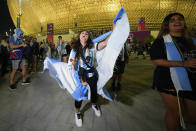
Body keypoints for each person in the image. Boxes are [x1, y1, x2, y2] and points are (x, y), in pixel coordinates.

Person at [149, 12, 196, 131]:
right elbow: (156, 60)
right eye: (172, 20)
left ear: (184, 23)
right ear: (167, 25)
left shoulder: (192, 41)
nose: (177, 21)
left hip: (192, 81)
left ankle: (181, 119)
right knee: (174, 113)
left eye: (180, 19)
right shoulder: (161, 41)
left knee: (193, 117)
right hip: (168, 80)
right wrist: (183, 64)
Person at [70, 29, 113, 127]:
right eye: (82, 33)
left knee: (94, 91)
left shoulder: (92, 46)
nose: (85, 34)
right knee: (79, 95)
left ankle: (94, 104)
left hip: (92, 75)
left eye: (86, 34)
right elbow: (73, 65)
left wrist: (114, 30)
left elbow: (105, 43)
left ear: (88, 37)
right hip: (81, 76)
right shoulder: (75, 49)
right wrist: (80, 79)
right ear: (79, 36)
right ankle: (77, 112)